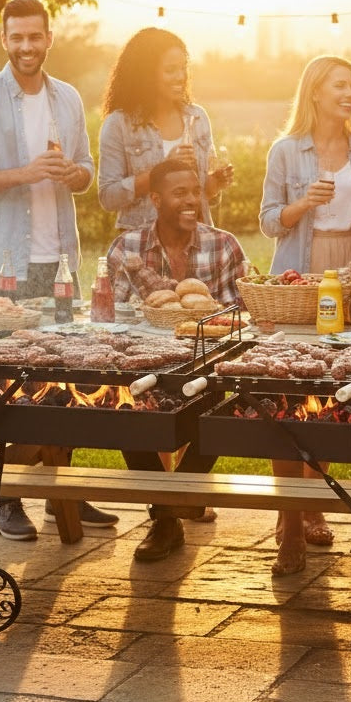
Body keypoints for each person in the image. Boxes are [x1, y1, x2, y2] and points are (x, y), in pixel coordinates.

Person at [0, 0, 117, 540]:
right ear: (4, 40)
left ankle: (60, 491)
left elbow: (87, 173)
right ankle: (5, 498)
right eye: (16, 37)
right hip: (5, 266)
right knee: (9, 384)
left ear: (48, 38)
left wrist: (71, 174)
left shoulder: (67, 98)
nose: (25, 47)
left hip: (60, 257)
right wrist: (23, 173)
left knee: (64, 378)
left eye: (34, 37)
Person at [259, 55, 351, 575]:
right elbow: (268, 222)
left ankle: (313, 503)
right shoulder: (287, 151)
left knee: (335, 392)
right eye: (340, 85)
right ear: (314, 92)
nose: (350, 93)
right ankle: (288, 523)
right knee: (288, 394)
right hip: (301, 277)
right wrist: (302, 204)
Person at [106, 158, 246, 561]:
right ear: (155, 199)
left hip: (208, 363)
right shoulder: (127, 247)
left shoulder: (224, 244)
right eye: (179, 193)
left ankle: (167, 512)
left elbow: (243, 317)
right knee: (125, 408)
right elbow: (114, 316)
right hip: (146, 361)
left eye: (196, 192)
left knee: (225, 407)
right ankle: (169, 514)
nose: (191, 201)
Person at [98, 27, 233, 231]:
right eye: (170, 70)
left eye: (183, 68)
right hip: (143, 246)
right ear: (145, 75)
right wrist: (162, 170)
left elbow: (204, 193)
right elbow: (109, 197)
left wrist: (216, 183)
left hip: (196, 242)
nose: (180, 77)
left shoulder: (197, 118)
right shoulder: (119, 124)